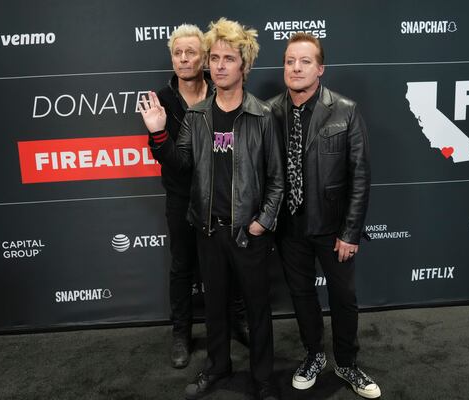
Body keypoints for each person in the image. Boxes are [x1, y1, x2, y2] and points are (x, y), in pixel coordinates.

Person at [140, 18, 283, 400]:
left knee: (256, 310)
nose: (219, 65)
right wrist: (158, 133)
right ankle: (218, 366)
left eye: (228, 59)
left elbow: (277, 180)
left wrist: (262, 222)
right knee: (216, 306)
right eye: (215, 58)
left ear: (244, 66)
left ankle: (264, 378)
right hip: (207, 229)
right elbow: (181, 163)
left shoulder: (262, 115)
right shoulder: (198, 115)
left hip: (247, 231)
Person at [268, 32, 381, 399]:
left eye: (304, 61)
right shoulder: (270, 112)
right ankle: (314, 355)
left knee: (343, 298)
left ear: (320, 68)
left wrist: (350, 232)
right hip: (289, 227)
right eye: (289, 61)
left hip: (334, 229)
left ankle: (347, 362)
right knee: (302, 296)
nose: (295, 68)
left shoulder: (346, 110)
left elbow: (360, 176)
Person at [139, 23, 247, 370]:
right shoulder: (162, 100)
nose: (184, 59)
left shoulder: (223, 91)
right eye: (177, 53)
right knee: (183, 267)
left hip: (222, 195)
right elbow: (173, 161)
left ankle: (237, 322)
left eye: (191, 52)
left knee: (229, 264)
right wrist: (157, 133)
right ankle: (181, 334)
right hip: (181, 198)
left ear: (204, 58)